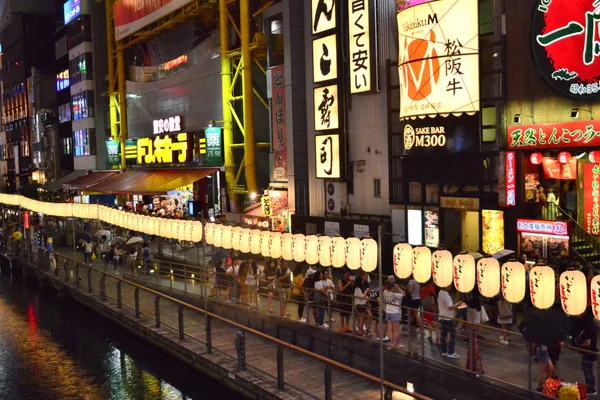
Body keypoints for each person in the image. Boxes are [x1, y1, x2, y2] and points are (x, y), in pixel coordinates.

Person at [438, 285, 463, 359]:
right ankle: (450, 352)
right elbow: (450, 307)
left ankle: (444, 351)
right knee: (453, 334)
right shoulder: (446, 295)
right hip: (447, 318)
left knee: (443, 334)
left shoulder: (440, 292)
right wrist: (459, 303)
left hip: (442, 316)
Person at [577, 308, 598, 395]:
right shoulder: (591, 322)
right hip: (590, 350)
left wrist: (577, 344)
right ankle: (590, 387)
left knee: (587, 368)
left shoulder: (587, 324)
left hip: (589, 351)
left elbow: (587, 343)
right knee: (586, 368)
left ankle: (591, 388)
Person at [383, 277, 405, 349]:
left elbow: (386, 288)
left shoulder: (385, 293)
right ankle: (397, 344)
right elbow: (403, 294)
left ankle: (392, 344)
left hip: (388, 312)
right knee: (396, 330)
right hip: (395, 312)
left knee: (390, 330)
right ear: (392, 287)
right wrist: (398, 287)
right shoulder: (395, 295)